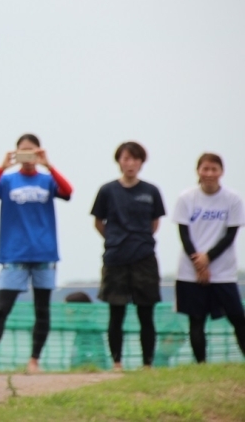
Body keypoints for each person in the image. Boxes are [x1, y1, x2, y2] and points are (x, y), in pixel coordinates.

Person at [0, 134, 73, 374]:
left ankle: (34, 361)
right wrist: (1, 167)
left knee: (42, 310)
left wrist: (48, 165)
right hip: (13, 254)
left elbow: (68, 192)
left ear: (39, 152)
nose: (28, 157)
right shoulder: (7, 181)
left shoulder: (47, 181)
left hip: (44, 254)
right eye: (23, 152)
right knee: (2, 309)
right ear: (16, 154)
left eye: (32, 151)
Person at [91, 141, 165, 371]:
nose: (130, 163)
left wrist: (139, 241)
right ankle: (117, 363)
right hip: (115, 259)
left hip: (144, 258)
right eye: (125, 158)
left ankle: (147, 364)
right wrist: (114, 240)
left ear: (142, 162)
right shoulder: (107, 190)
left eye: (135, 159)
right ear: (119, 161)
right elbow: (98, 222)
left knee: (146, 313)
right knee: (116, 313)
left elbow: (155, 223)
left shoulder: (151, 191)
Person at [172, 153, 245, 363]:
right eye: (205, 169)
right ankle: (201, 365)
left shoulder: (233, 199)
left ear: (221, 172)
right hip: (190, 272)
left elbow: (230, 235)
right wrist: (199, 264)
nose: (210, 174)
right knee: (196, 321)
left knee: (238, 318)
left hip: (223, 273)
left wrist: (208, 258)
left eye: (214, 169)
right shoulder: (186, 198)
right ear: (198, 171)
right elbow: (183, 234)